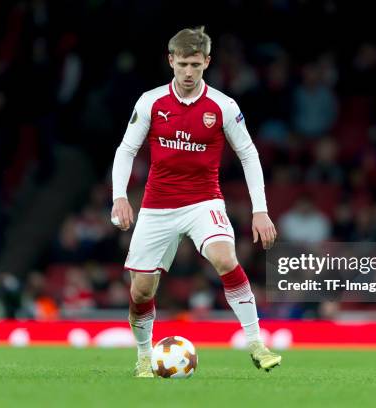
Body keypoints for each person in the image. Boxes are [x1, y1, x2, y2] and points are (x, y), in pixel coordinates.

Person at [110, 27, 281, 377]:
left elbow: (248, 155)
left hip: (204, 202)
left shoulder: (223, 106)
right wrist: (119, 197)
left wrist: (260, 210)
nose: (189, 72)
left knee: (224, 257)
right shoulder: (151, 101)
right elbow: (126, 149)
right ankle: (144, 356)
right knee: (142, 291)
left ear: (207, 62)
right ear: (171, 61)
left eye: (196, 65)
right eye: (183, 64)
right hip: (157, 206)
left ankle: (256, 344)